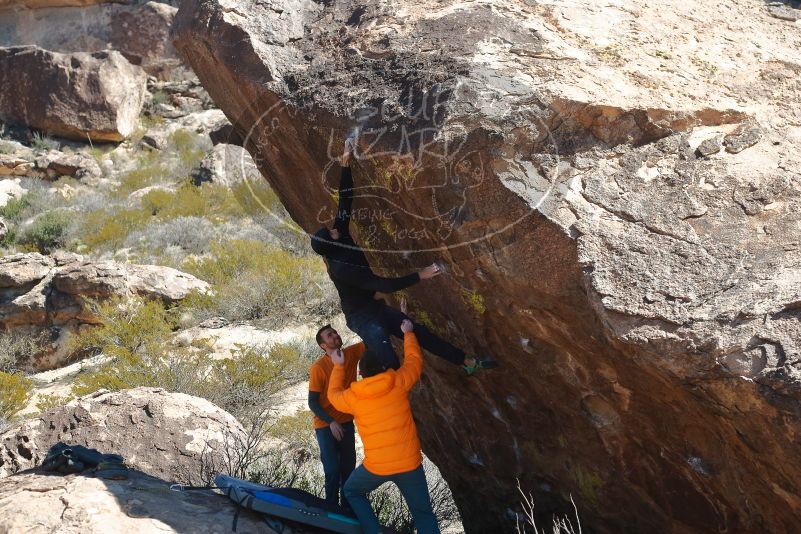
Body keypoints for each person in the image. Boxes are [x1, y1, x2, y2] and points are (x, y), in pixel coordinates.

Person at [310, 134, 497, 375]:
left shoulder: (341, 236)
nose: (334, 229)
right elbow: (384, 286)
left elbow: (346, 200)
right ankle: (385, 403)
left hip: (372, 305)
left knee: (418, 333)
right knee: (389, 361)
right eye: (331, 233)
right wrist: (422, 274)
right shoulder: (341, 267)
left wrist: (345, 162)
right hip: (361, 317)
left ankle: (468, 363)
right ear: (330, 245)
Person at [328, 301, 440, 534]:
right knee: (423, 514)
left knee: (352, 492)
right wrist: (408, 334)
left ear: (361, 374)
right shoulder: (397, 382)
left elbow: (333, 396)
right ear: (383, 368)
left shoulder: (353, 397)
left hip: (377, 466)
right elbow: (414, 362)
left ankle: (374, 531)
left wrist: (338, 367)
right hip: (409, 463)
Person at [308, 324, 364, 510]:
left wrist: (401, 316)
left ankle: (347, 512)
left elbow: (371, 340)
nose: (335, 336)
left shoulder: (351, 353)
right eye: (329, 336)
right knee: (332, 471)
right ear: (323, 345)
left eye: (334, 333)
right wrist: (331, 422)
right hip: (325, 425)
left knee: (348, 471)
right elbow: (313, 402)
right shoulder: (319, 367)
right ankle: (330, 511)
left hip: (347, 422)